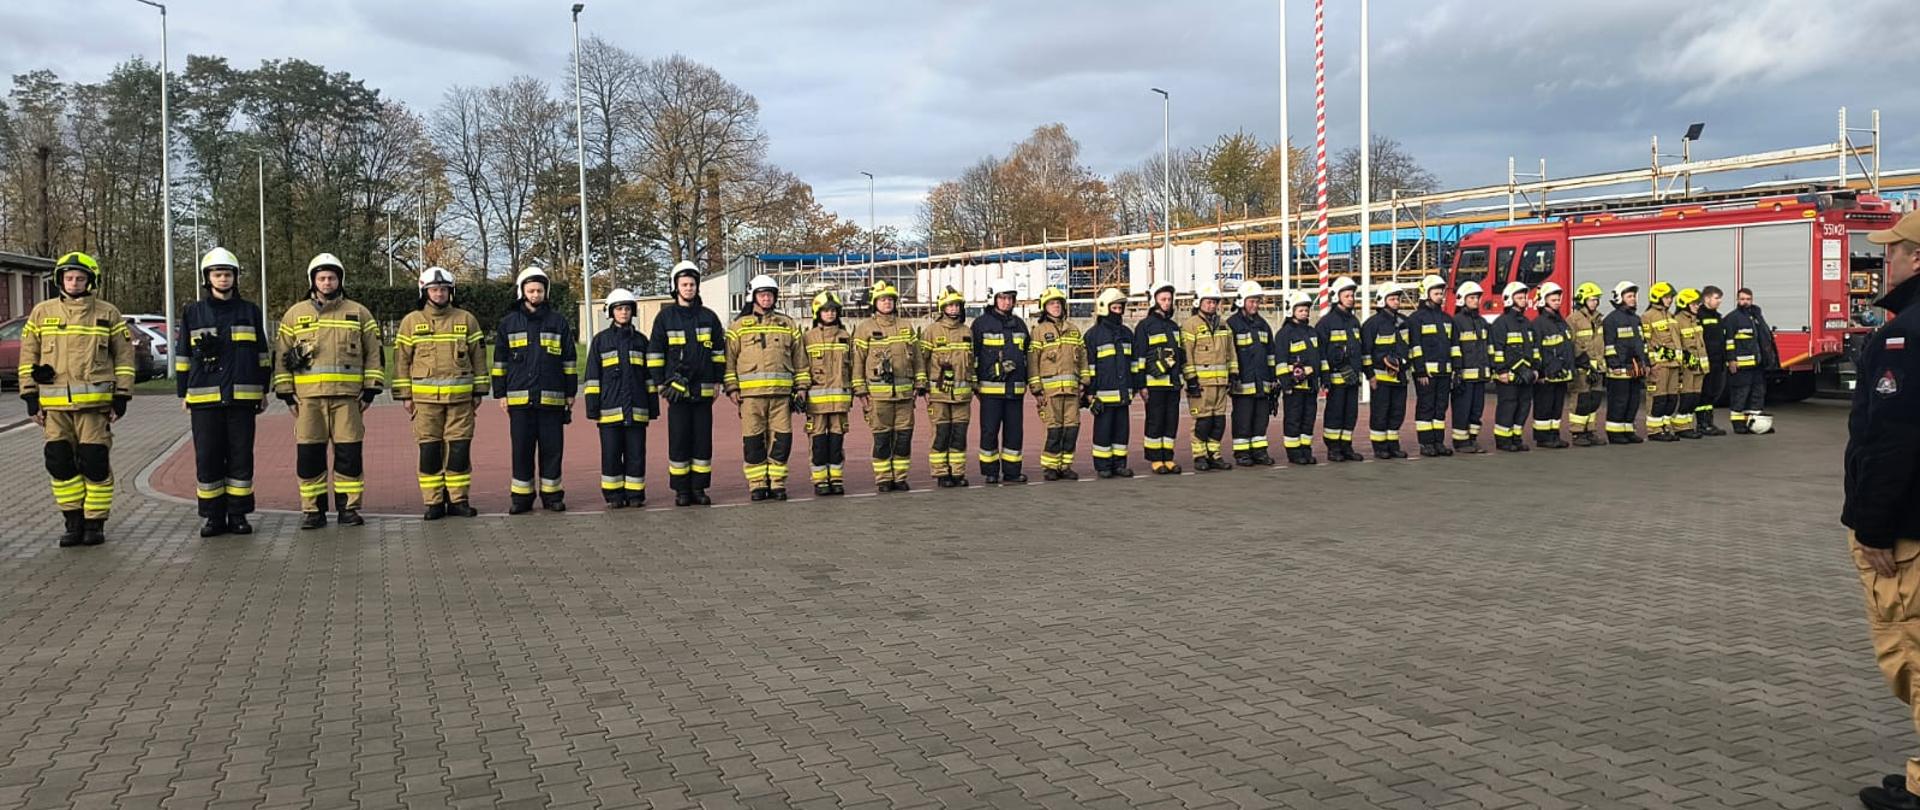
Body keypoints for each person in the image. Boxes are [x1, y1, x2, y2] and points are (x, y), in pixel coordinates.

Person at [1846, 210, 1920, 810]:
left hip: (1906, 529)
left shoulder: (1906, 335)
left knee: (1913, 654)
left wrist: (1872, 525)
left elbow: (1893, 438)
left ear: (1916, 258)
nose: (1881, 263)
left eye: (1890, 253)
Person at [19, 251, 133, 547]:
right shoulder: (42, 313)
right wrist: (30, 394)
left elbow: (123, 357)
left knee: (94, 463)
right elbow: (27, 356)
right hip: (54, 408)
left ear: (90, 281)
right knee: (58, 462)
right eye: (69, 277)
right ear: (60, 280)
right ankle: (73, 521)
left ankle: (95, 523)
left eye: (80, 278)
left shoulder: (108, 313)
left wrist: (121, 395)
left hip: (95, 407)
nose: (74, 283)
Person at [275, 253, 384, 530]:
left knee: (349, 455)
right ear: (313, 281)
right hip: (307, 400)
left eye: (331, 277)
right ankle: (313, 511)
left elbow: (374, 354)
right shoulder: (294, 314)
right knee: (309, 456)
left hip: (348, 399)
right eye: (321, 278)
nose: (327, 282)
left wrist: (370, 391)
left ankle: (349, 508)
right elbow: (281, 356)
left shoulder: (359, 313)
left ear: (340, 280)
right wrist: (287, 394)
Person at [176, 248, 270, 538]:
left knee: (241, 457)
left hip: (243, 399)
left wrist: (263, 390)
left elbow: (263, 355)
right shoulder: (193, 312)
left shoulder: (250, 311)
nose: (223, 279)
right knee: (208, 458)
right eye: (217, 274)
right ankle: (213, 517)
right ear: (208, 278)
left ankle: (238, 515)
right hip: (204, 399)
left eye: (228, 274)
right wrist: (184, 394)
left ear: (235, 278)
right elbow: (182, 357)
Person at [393, 266, 486, 520]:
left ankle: (458, 500)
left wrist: (479, 391)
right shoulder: (411, 322)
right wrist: (405, 395)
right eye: (434, 289)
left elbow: (479, 357)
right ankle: (433, 502)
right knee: (430, 451)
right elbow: (401, 361)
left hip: (461, 401)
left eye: (444, 289)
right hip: (425, 403)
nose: (439, 294)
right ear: (425, 292)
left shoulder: (466, 319)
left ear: (451, 291)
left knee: (458, 450)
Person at [493, 266, 577, 513]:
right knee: (521, 450)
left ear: (545, 292)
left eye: (539, 290)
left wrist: (570, 393)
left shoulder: (558, 322)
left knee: (552, 450)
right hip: (519, 401)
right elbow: (500, 363)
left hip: (551, 399)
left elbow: (569, 362)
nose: (535, 295)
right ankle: (521, 498)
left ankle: (552, 497)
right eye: (530, 290)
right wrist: (500, 394)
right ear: (522, 292)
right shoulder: (508, 324)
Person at [725, 274, 809, 502]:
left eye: (770, 295)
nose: (766, 299)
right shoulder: (739, 326)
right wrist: (732, 388)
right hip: (750, 397)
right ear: (753, 296)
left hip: (781, 396)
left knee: (781, 441)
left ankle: (778, 483)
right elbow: (729, 361)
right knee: (753, 442)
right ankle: (757, 484)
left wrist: (801, 387)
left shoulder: (787, 324)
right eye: (762, 295)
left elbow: (800, 359)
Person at [650, 261, 727, 506]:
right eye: (684, 284)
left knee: (703, 442)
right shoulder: (665, 318)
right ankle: (681, 491)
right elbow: (655, 354)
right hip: (677, 393)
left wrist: (717, 381)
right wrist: (661, 383)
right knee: (679, 441)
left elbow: (718, 353)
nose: (689, 288)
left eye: (692, 284)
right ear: (675, 287)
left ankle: (699, 488)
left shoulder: (709, 317)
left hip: (704, 391)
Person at [585, 288, 656, 508]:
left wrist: (652, 407)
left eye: (627, 308)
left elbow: (649, 378)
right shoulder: (600, 342)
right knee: (611, 455)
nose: (624, 312)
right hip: (609, 411)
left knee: (636, 455)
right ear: (611, 312)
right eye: (619, 309)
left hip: (636, 410)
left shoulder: (642, 342)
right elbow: (592, 377)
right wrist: (592, 408)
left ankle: (635, 495)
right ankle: (614, 495)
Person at [852, 281, 922, 492]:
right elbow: (857, 360)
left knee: (903, 438)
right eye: (883, 300)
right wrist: (860, 390)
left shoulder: (905, 326)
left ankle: (899, 478)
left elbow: (917, 357)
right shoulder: (865, 328)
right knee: (882, 439)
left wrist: (920, 383)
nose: (887, 303)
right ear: (875, 303)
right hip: (878, 396)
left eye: (890, 299)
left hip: (904, 395)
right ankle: (883, 478)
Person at [973, 279, 1031, 484]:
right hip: (990, 391)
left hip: (1014, 390)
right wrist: (976, 384)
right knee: (989, 431)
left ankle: (1012, 471)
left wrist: (1028, 382)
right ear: (994, 299)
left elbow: (1027, 356)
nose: (1007, 302)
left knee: (1014, 433)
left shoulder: (1020, 324)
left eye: (1010, 298)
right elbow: (974, 357)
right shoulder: (980, 324)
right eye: (1003, 298)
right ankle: (990, 472)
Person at [1029, 287, 1089, 480]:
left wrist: (1084, 381)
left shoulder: (1073, 330)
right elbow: (1033, 362)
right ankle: (1050, 467)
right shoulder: (1038, 332)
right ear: (1044, 308)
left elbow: (1083, 359)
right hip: (1050, 392)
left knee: (1072, 429)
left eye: (1058, 303)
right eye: (1051, 303)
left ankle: (1065, 465)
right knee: (1054, 430)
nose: (1055, 306)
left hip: (1071, 391)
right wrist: (1037, 389)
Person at [919, 286, 976, 487]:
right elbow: (921, 361)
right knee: (941, 434)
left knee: (959, 435)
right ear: (943, 307)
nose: (954, 309)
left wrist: (974, 385)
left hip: (962, 396)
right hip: (939, 394)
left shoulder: (967, 331)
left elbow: (973, 363)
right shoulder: (931, 332)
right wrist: (924, 387)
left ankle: (958, 473)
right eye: (950, 305)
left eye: (957, 305)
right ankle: (941, 473)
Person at [1182, 283, 1237, 471]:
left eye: (1214, 302)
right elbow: (1186, 354)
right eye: (1208, 302)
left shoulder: (1224, 325)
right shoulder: (1191, 325)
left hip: (1221, 383)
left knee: (1218, 422)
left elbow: (1231, 351)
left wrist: (1234, 374)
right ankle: (1200, 456)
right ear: (1199, 303)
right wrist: (1190, 380)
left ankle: (1214, 454)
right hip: (1201, 384)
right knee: (1202, 422)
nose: (1212, 305)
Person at [1083, 287, 1137, 478]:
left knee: (1122, 432)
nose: (1119, 311)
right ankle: (1103, 466)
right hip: (1103, 396)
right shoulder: (1093, 335)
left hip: (1123, 394)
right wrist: (1090, 394)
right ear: (1105, 308)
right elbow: (1089, 367)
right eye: (1115, 307)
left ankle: (1119, 464)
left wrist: (1135, 387)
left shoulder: (1127, 333)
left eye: (1121, 307)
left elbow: (1134, 364)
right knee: (1103, 432)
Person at [804, 290, 853, 496]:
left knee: (836, 441)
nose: (830, 314)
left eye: (833, 310)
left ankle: (836, 478)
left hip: (840, 402)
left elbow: (852, 367)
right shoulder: (807, 338)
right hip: (815, 403)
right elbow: (801, 366)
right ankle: (820, 480)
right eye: (825, 311)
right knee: (818, 443)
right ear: (818, 313)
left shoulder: (845, 337)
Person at [1135, 283, 1186, 474]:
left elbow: (1180, 355)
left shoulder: (1173, 327)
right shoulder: (1145, 326)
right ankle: (1156, 459)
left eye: (1169, 299)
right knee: (1155, 421)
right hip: (1154, 384)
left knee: (1171, 421)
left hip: (1173, 384)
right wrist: (1141, 384)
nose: (1167, 303)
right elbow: (1140, 357)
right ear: (1154, 301)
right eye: (1163, 299)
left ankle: (1168, 457)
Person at [1226, 281, 1278, 466]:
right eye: (1251, 301)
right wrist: (1232, 377)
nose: (1255, 305)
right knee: (1243, 419)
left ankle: (1259, 451)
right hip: (1242, 383)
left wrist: (1273, 378)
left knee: (1260, 419)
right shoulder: (1232, 324)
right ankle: (1242, 453)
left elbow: (1271, 354)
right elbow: (1229, 353)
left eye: (1257, 301)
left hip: (1262, 382)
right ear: (1241, 301)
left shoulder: (1263, 325)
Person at [1407, 275, 1456, 457]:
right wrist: (1420, 370)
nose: (1440, 297)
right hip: (1425, 373)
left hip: (1444, 372)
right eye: (1436, 293)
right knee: (1426, 407)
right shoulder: (1416, 319)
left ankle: (1438, 442)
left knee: (1440, 408)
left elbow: (1453, 345)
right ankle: (1426, 443)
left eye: (1441, 293)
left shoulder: (1446, 319)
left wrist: (1455, 368)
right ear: (1425, 294)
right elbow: (1415, 347)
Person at [1317, 277, 1365, 462]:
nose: (1351, 298)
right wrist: (1326, 377)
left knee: (1350, 414)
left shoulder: (1354, 321)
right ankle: (1333, 448)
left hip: (1352, 378)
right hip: (1336, 380)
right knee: (1335, 414)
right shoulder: (1326, 323)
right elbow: (1321, 352)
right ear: (1337, 297)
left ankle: (1346, 446)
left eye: (1352, 295)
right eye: (1347, 295)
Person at [1488, 281, 1539, 452]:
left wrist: (1535, 370)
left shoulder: (1527, 323)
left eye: (1524, 296)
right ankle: (1503, 440)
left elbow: (1533, 349)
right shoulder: (1501, 324)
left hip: (1526, 375)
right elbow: (1497, 350)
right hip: (1508, 375)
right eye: (1519, 297)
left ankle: (1516, 437)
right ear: (1509, 299)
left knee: (1523, 406)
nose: (1524, 300)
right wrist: (1501, 370)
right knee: (1508, 406)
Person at [1362, 283, 1410, 459]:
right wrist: (1370, 375)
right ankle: (1380, 447)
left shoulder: (1404, 322)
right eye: (1392, 299)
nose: (1396, 302)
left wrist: (1404, 364)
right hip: (1381, 378)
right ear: (1382, 301)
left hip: (1399, 377)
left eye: (1397, 299)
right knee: (1380, 413)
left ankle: (1393, 445)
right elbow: (1366, 353)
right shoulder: (1372, 325)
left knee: (1397, 413)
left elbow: (1408, 348)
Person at [1275, 290, 1323, 465]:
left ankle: (1305, 450)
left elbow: (1318, 358)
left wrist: (1322, 378)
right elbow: (1279, 362)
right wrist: (1286, 383)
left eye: (1306, 310)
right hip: (1294, 387)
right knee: (1293, 420)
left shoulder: (1312, 332)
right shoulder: (1284, 334)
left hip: (1310, 386)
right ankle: (1294, 453)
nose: (1305, 313)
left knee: (1308, 419)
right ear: (1291, 311)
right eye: (1301, 310)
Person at [1724, 287, 1779, 434]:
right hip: (1741, 366)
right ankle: (1738, 424)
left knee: (1757, 394)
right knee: (1740, 395)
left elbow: (1763, 338)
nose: (1745, 302)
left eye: (1748, 299)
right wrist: (1731, 360)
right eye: (1742, 299)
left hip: (1757, 364)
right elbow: (1728, 341)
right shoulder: (1732, 318)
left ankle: (1755, 424)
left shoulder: (1756, 317)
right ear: (1737, 300)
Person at [1602, 281, 1649, 444]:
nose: (1633, 299)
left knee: (1633, 401)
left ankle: (1628, 430)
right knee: (1619, 401)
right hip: (1619, 369)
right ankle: (1615, 433)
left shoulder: (1636, 319)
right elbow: (1609, 345)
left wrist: (1645, 362)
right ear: (1619, 298)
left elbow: (1641, 343)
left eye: (1634, 296)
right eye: (1629, 296)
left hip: (1634, 368)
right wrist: (1614, 364)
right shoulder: (1611, 320)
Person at [1529, 281, 1574, 449]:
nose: (1557, 302)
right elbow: (1536, 350)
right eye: (1553, 299)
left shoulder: (1561, 323)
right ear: (1543, 300)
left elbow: (1567, 347)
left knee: (1556, 408)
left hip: (1560, 373)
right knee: (1544, 407)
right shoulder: (1538, 324)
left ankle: (1554, 435)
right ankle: (1543, 438)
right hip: (1546, 375)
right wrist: (1540, 372)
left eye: (1557, 299)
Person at [1565, 282, 1609, 446]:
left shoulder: (1598, 319)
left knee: (1594, 400)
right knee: (1581, 400)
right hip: (1582, 368)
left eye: (1597, 299)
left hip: (1597, 368)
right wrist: (1583, 362)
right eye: (1592, 299)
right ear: (1582, 300)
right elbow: (1571, 343)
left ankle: (1590, 431)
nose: (1595, 302)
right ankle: (1577, 433)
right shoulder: (1573, 319)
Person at [1450, 281, 1491, 454]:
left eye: (1477, 298)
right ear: (1462, 300)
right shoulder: (1456, 322)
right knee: (1462, 410)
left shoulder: (1482, 322)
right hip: (1464, 376)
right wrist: (1457, 371)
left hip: (1480, 376)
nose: (1476, 301)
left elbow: (1488, 347)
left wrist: (1491, 368)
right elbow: (1454, 348)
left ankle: (1472, 439)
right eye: (1472, 297)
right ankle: (1460, 442)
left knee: (1476, 411)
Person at [1640, 281, 1684, 442]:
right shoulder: (1647, 316)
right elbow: (1647, 343)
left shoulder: (1670, 316)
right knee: (1657, 398)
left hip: (1673, 365)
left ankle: (1665, 427)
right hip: (1659, 366)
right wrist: (1652, 363)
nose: (1670, 300)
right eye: (1667, 297)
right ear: (1657, 297)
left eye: (1671, 297)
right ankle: (1654, 430)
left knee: (1671, 398)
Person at [1671, 287, 1710, 440]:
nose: (1697, 306)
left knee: (1695, 397)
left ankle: (1688, 425)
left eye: (1698, 304)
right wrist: (1687, 360)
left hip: (1699, 366)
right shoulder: (1678, 320)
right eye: (1694, 304)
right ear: (1685, 304)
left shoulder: (1695, 319)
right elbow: (1678, 344)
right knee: (1687, 396)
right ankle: (1681, 427)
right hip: (1688, 366)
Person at [1695, 286, 1730, 436]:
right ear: (1707, 298)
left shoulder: (1717, 316)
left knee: (1713, 393)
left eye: (1720, 298)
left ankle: (1709, 422)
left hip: (1718, 362)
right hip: (1706, 362)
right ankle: (1702, 424)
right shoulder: (1699, 316)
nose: (1719, 301)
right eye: (1717, 298)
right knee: (1705, 393)